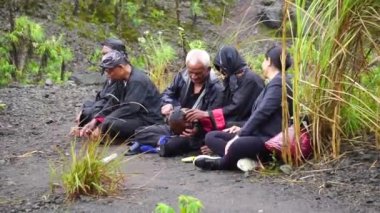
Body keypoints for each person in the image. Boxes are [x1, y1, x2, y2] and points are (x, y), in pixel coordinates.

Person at [193, 45, 293, 170]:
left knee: (237, 144)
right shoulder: (273, 83)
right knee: (211, 137)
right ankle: (246, 160)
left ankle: (222, 163)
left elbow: (261, 113)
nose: (263, 63)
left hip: (268, 139)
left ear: (269, 62)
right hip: (256, 134)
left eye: (264, 60)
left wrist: (240, 134)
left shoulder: (279, 83)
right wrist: (240, 127)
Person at [131, 49, 224, 156]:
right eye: (191, 72)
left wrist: (197, 129)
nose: (193, 76)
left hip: (195, 133)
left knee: (170, 147)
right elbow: (168, 93)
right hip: (175, 126)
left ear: (208, 70)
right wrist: (168, 104)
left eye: (198, 73)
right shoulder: (182, 76)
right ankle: (163, 140)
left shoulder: (217, 89)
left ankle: (165, 143)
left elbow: (215, 118)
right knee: (139, 132)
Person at [185, 46, 264, 154]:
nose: (221, 71)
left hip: (248, 122)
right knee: (206, 127)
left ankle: (217, 147)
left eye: (223, 68)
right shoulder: (231, 79)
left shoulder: (250, 79)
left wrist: (208, 114)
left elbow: (237, 107)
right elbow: (221, 102)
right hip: (235, 119)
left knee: (219, 129)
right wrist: (201, 119)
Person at [79, 50, 164, 140]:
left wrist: (103, 124)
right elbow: (112, 103)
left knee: (112, 125)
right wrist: (96, 120)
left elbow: (130, 108)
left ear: (120, 67)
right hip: (133, 117)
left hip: (147, 120)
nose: (108, 75)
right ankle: (101, 132)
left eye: (110, 71)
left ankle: (105, 136)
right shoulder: (120, 80)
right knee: (95, 117)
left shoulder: (137, 81)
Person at [73, 38, 127, 130]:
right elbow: (101, 97)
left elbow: (113, 104)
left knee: (89, 114)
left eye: (106, 54)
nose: (103, 57)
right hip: (104, 107)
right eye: (103, 54)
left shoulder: (120, 75)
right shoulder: (110, 72)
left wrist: (92, 117)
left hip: (114, 112)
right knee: (87, 107)